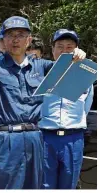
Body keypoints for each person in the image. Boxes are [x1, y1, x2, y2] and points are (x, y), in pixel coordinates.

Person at [0, 16, 86, 189]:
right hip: (7, 139)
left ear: (29, 40)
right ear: (3, 40)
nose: (15, 39)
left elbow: (67, 70)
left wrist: (78, 58)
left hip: (36, 137)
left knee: (34, 187)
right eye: (10, 35)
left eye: (20, 34)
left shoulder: (41, 66)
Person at [38, 29, 93, 189]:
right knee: (45, 185)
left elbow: (86, 106)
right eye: (60, 46)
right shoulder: (43, 72)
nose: (64, 51)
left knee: (68, 185)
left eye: (70, 47)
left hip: (73, 138)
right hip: (46, 138)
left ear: (77, 50)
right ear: (53, 50)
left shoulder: (86, 76)